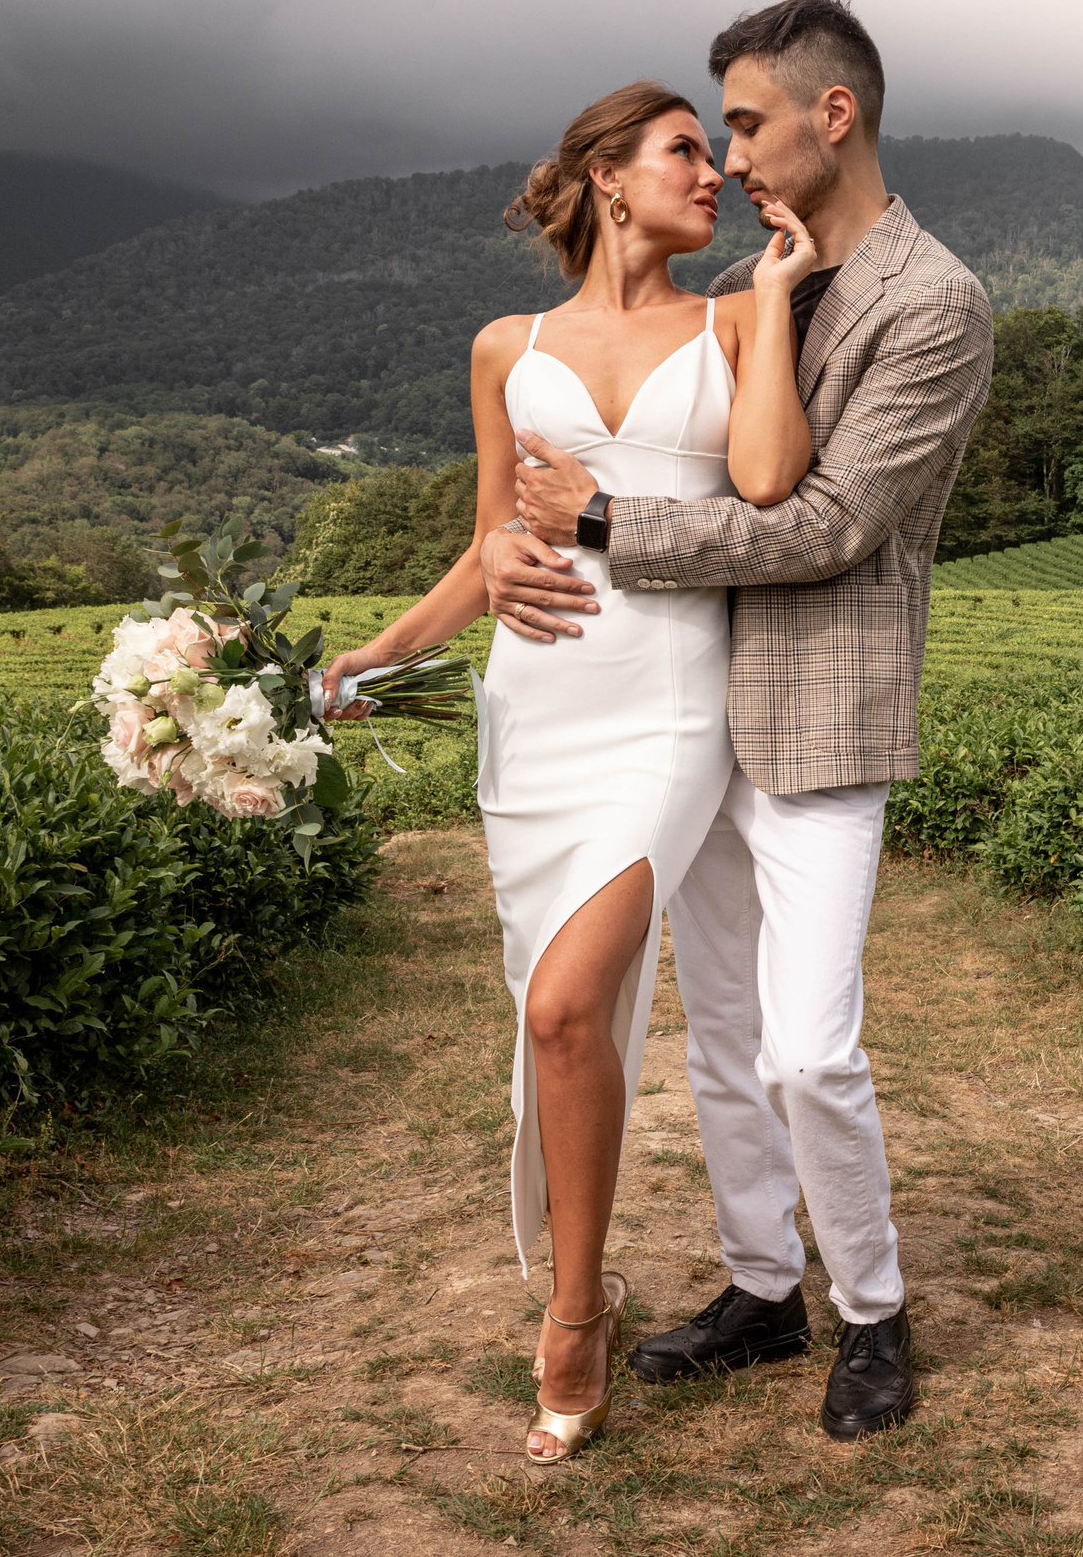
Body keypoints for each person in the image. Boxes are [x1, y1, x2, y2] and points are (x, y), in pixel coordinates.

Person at [484, 0, 994, 1443]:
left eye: (753, 126)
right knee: (717, 1031)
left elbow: (827, 523)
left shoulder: (934, 302)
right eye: (717, 136)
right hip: (690, 710)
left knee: (806, 1046)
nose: (737, 159)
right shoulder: (758, 280)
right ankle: (765, 1286)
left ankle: (875, 1311)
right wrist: (517, 551)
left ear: (836, 115)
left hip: (825, 710)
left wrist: (595, 522)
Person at [318, 79, 824, 1463]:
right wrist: (374, 655)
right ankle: (585, 1286)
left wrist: (775, 292)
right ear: (607, 176)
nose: (710, 174)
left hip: (669, 709)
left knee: (561, 1006)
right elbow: (486, 553)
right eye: (681, 152)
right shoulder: (504, 347)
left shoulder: (733, 317)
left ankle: (575, 1308)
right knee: (557, 1020)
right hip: (533, 714)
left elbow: (772, 483)